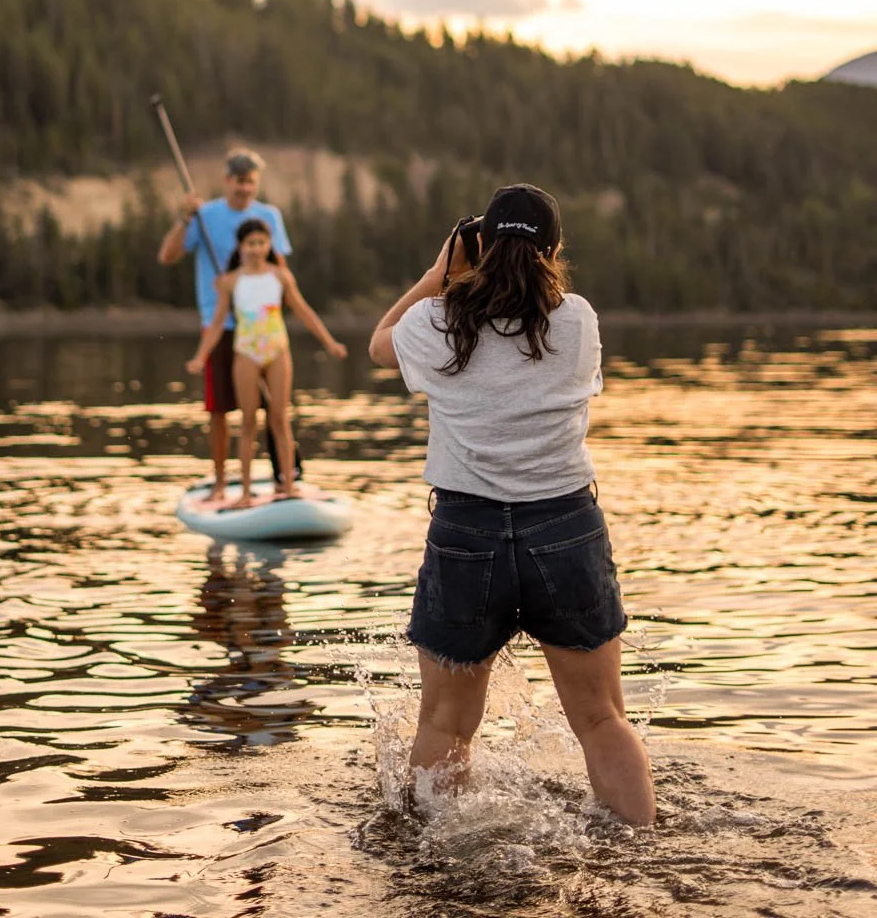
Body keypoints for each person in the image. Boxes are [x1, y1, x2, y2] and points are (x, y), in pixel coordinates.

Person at [368, 184, 656, 826]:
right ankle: (641, 860)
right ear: (555, 250)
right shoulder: (578, 322)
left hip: (466, 531)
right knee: (603, 720)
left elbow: (379, 343)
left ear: (479, 247)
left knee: (446, 726)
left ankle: (438, 863)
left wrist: (440, 274)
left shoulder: (436, 322)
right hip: (565, 528)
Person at [158, 148, 293, 500]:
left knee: (274, 410)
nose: (244, 187)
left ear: (256, 182)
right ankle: (220, 483)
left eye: (250, 181)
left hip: (263, 325)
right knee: (220, 408)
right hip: (220, 323)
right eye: (239, 180)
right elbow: (167, 256)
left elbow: (280, 268)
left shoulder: (269, 216)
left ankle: (285, 477)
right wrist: (184, 218)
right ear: (227, 180)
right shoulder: (205, 215)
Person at [186, 219, 346, 505]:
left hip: (277, 351)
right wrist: (200, 356)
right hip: (246, 352)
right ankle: (245, 493)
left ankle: (288, 485)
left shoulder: (281, 276)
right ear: (241, 246)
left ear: (269, 245)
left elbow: (304, 311)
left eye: (261, 242)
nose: (256, 248)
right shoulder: (231, 281)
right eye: (251, 243)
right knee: (248, 422)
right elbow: (217, 322)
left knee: (279, 418)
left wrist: (329, 342)